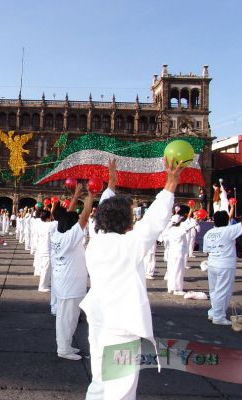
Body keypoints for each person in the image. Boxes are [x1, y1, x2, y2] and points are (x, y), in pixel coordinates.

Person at [80, 158, 184, 399]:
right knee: (120, 389)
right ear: (127, 222)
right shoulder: (128, 245)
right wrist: (170, 184)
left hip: (99, 320)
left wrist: (112, 182)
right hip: (122, 327)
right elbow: (153, 223)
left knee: (99, 381)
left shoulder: (95, 242)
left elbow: (107, 208)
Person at [50, 183, 94, 361]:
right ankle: (63, 349)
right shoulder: (69, 238)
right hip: (70, 285)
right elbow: (82, 219)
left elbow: (69, 216)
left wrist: (76, 196)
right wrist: (90, 197)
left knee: (66, 317)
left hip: (64, 283)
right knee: (67, 319)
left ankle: (65, 345)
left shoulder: (57, 233)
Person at [203, 199, 242, 325]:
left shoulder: (208, 233)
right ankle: (218, 317)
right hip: (225, 265)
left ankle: (213, 312)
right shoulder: (228, 231)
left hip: (212, 264)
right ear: (227, 220)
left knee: (214, 291)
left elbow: (206, 250)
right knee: (223, 291)